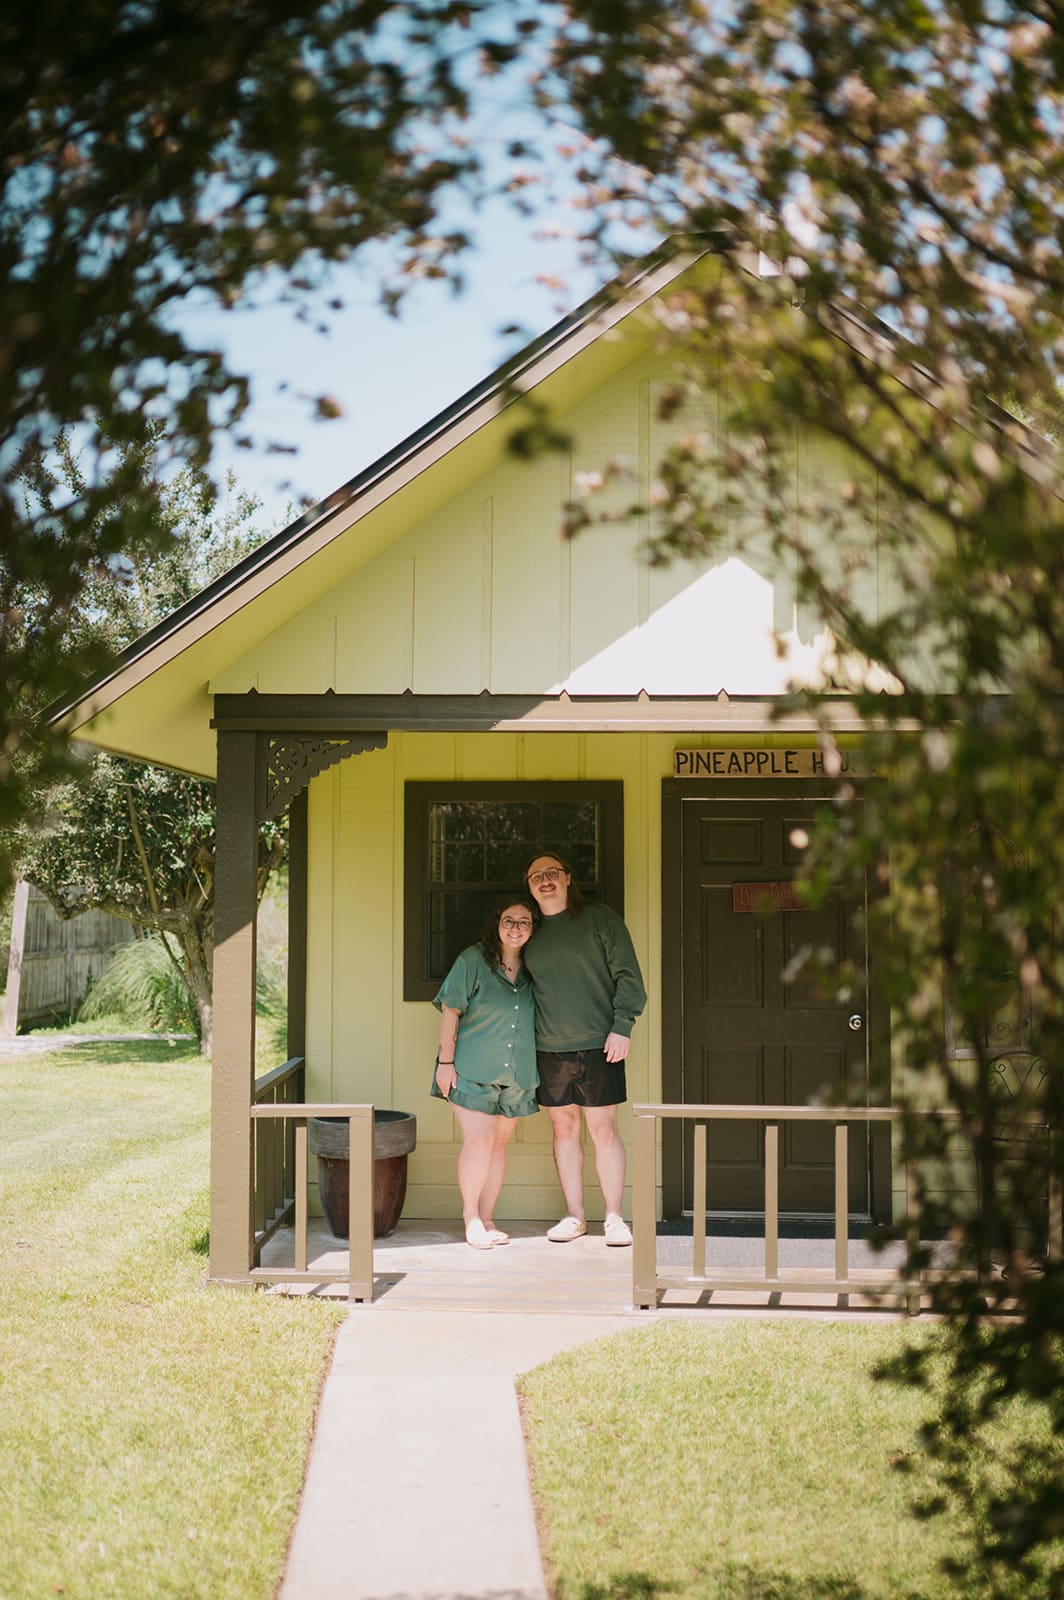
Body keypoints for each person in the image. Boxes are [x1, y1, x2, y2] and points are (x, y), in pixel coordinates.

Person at [521, 853, 646, 1247]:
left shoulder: (598, 919)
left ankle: (614, 1217)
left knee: (603, 1128)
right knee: (565, 1129)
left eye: (552, 873)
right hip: (548, 1047)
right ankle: (575, 1216)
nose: (545, 881)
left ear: (568, 878)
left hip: (600, 1044)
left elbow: (628, 975)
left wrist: (622, 1027)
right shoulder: (528, 930)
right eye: (536, 876)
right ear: (529, 886)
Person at [432, 897, 540, 1249]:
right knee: (478, 1141)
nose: (515, 928)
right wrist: (445, 1063)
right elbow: (450, 1011)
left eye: (524, 922)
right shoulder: (473, 960)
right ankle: (471, 1217)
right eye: (509, 920)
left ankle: (489, 1217)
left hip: (516, 1075)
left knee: (497, 1145)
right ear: (497, 923)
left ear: (533, 928)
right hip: (470, 1070)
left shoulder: (535, 968)